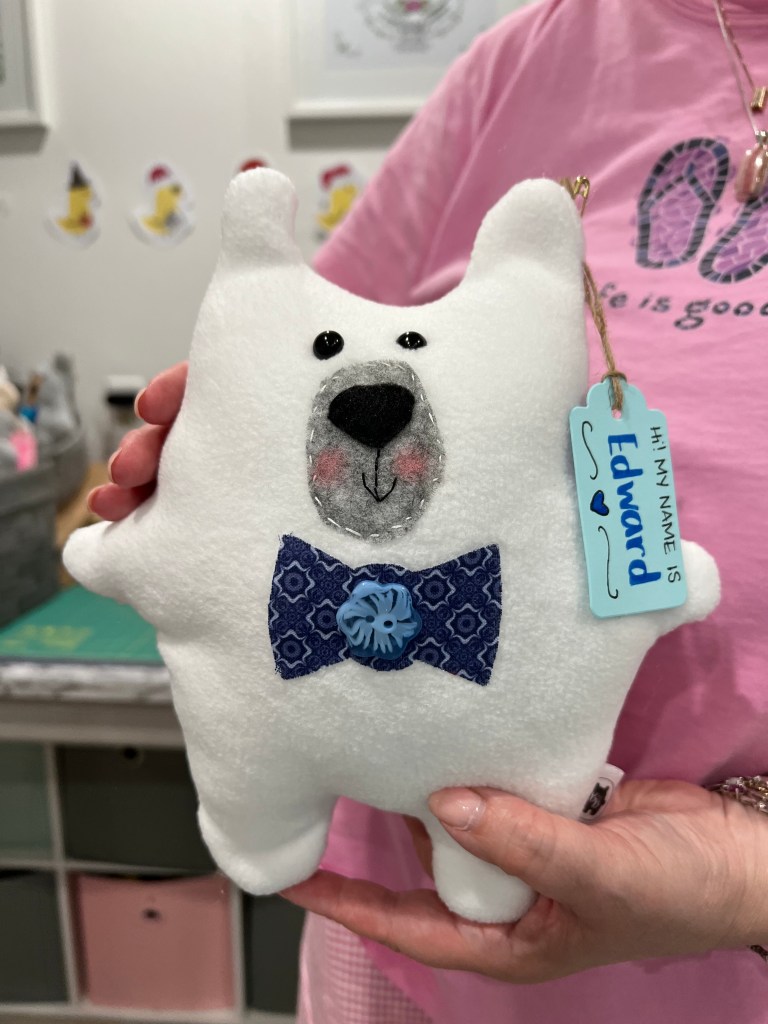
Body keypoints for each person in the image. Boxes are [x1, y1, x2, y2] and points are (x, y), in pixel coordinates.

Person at [89, 0, 768, 1020]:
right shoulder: (533, 55)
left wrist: (749, 879)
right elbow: (284, 355)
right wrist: (195, 472)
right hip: (397, 948)